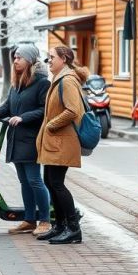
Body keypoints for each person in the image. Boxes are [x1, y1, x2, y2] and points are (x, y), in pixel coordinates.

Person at [0, 44, 52, 236]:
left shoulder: (42, 83)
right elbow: (7, 106)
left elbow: (44, 110)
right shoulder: (17, 83)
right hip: (16, 138)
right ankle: (29, 220)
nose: (15, 60)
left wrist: (23, 117)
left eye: (19, 58)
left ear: (30, 61)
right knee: (24, 181)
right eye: (14, 58)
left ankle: (45, 221)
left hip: (31, 139)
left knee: (34, 180)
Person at [35, 45, 88, 245]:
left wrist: (51, 124)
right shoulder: (58, 80)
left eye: (52, 58)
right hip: (55, 142)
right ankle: (60, 225)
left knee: (56, 183)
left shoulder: (68, 81)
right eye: (48, 58)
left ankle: (73, 228)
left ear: (63, 59)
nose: (49, 62)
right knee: (50, 181)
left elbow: (73, 110)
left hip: (62, 141)